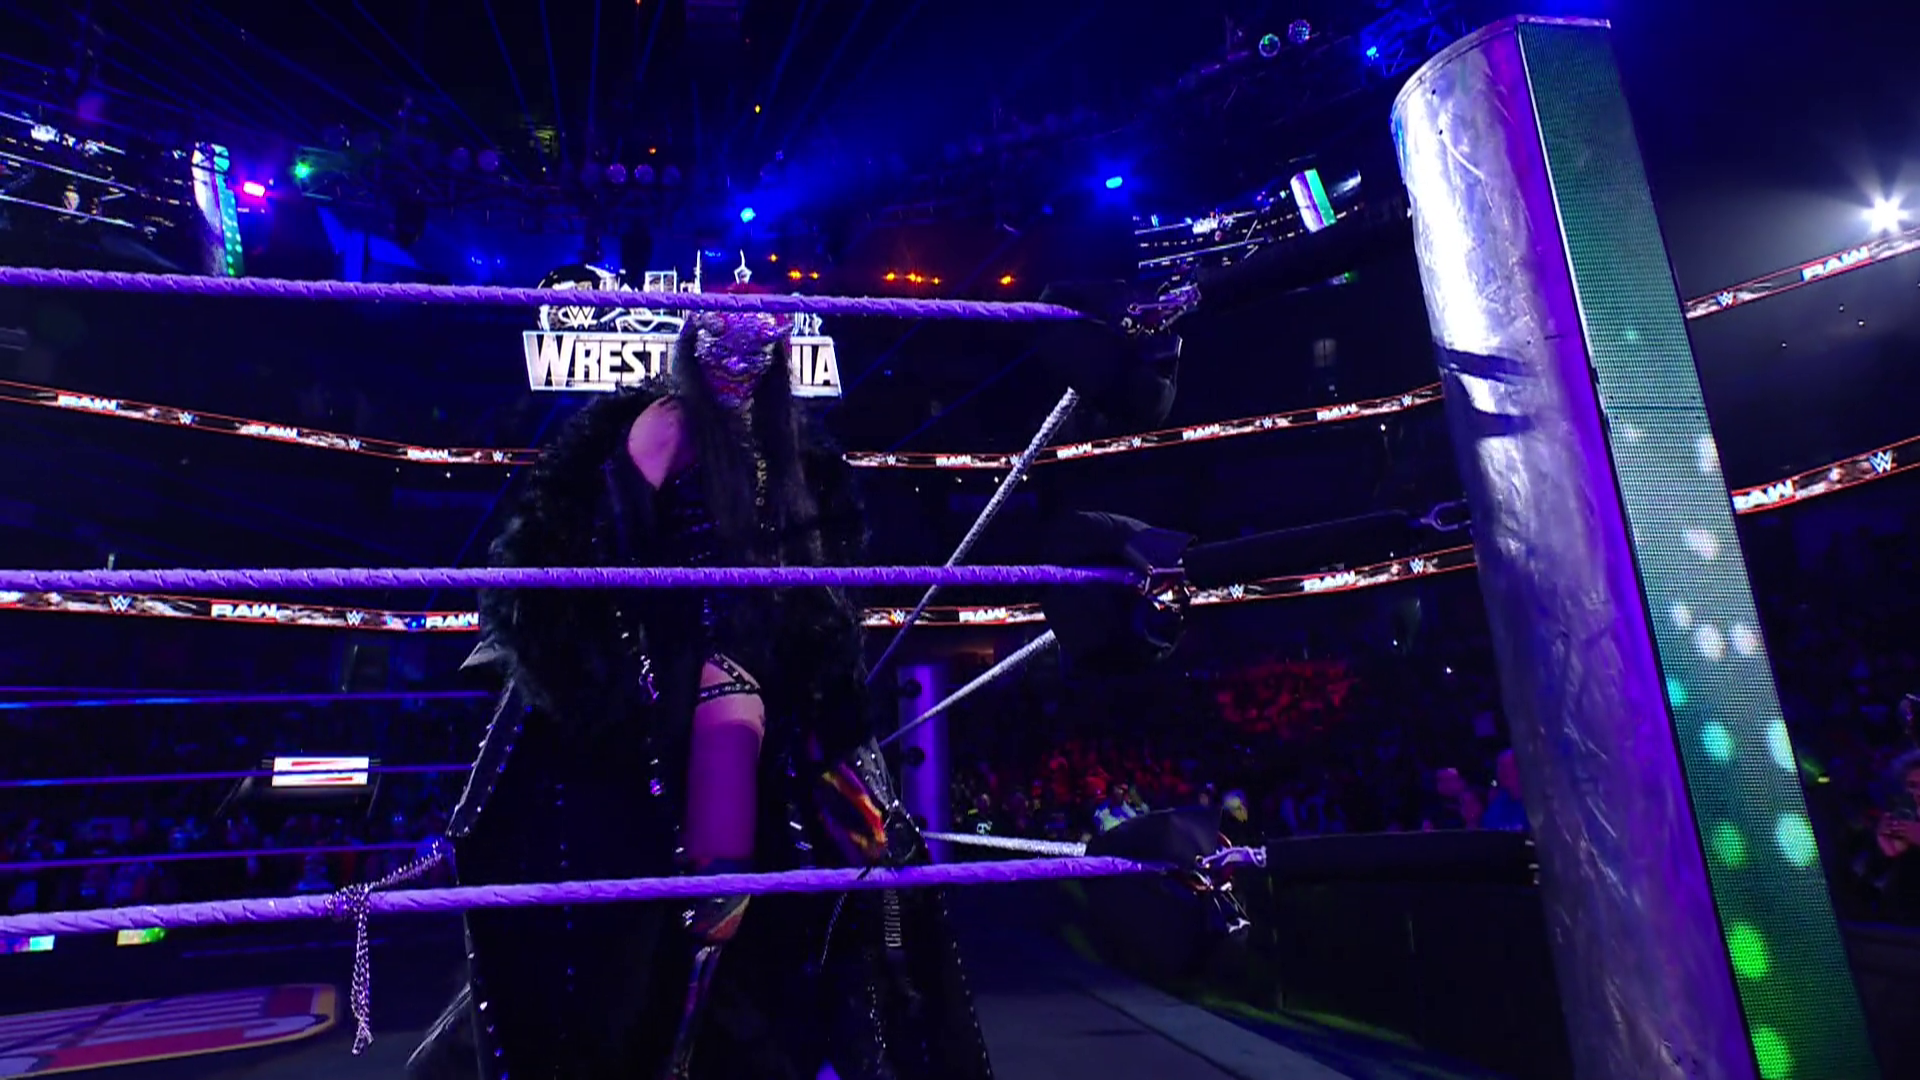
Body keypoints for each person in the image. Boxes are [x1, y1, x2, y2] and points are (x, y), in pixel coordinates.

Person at [411, 296, 992, 1080]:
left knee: (868, 821)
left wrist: (814, 655)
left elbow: (815, 574)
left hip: (783, 654)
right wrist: (641, 652)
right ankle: (687, 1004)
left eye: (759, 342)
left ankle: (855, 1012)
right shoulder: (667, 423)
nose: (741, 357)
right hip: (684, 649)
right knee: (729, 742)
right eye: (724, 339)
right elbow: (601, 550)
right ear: (694, 344)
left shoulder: (792, 448)